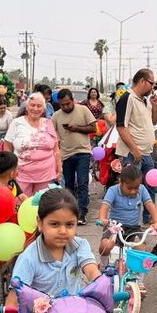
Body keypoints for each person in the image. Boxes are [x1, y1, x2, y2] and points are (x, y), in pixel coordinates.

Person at [53, 88, 97, 224]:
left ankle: (82, 212)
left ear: (72, 100)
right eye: (62, 105)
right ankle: (71, 212)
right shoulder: (56, 116)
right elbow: (52, 136)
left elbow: (93, 128)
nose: (65, 107)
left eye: (67, 103)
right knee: (69, 185)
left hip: (83, 152)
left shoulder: (83, 110)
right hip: (66, 155)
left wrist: (76, 128)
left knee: (83, 182)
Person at [4, 92, 61, 196]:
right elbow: (7, 147)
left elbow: (56, 149)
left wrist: (59, 169)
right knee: (21, 205)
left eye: (39, 106)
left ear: (43, 109)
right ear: (26, 107)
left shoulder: (48, 123)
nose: (35, 108)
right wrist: (9, 169)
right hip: (21, 174)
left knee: (42, 206)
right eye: (32, 105)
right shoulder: (16, 123)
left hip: (46, 174)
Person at [114, 69, 157, 200]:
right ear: (142, 81)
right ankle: (129, 219)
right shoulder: (127, 98)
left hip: (146, 153)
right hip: (133, 154)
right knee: (131, 190)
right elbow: (121, 127)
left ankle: (149, 219)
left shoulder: (145, 100)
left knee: (149, 189)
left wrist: (155, 106)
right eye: (151, 83)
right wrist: (135, 150)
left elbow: (153, 121)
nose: (153, 88)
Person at [98, 164, 157, 259]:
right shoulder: (113, 190)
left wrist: (156, 222)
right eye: (129, 188)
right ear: (121, 182)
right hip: (114, 227)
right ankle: (103, 266)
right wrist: (102, 219)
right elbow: (105, 206)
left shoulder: (142, 189)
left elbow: (150, 205)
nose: (133, 191)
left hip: (133, 228)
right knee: (106, 246)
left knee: (140, 248)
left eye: (136, 188)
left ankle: (136, 273)